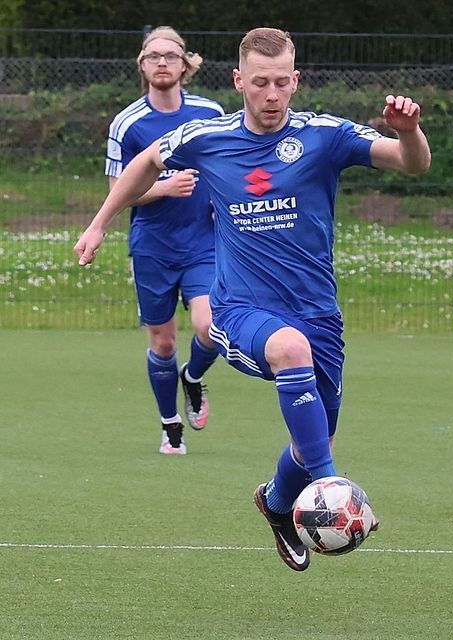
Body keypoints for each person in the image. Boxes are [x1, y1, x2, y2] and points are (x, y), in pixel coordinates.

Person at [75, 27, 431, 571]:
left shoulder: (325, 135)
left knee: (314, 430)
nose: (270, 94)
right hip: (239, 310)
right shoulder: (206, 136)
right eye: (259, 82)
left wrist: (409, 132)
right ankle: (332, 488)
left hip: (318, 312)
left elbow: (412, 164)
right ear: (239, 81)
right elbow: (144, 162)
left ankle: (277, 500)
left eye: (281, 82)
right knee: (291, 353)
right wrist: (100, 223)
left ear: (296, 81)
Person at [105, 26, 225, 454]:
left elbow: (227, 167)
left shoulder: (211, 113)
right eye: (153, 55)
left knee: (210, 325)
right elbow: (119, 190)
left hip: (203, 243)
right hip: (153, 245)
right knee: (163, 341)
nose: (161, 62)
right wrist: (162, 188)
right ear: (142, 65)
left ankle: (192, 377)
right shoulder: (128, 122)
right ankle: (170, 423)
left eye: (170, 55)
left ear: (184, 64)